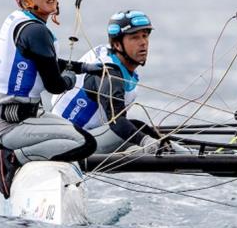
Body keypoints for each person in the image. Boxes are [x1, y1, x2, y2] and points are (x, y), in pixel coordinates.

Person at [0, 0, 99, 198]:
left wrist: (82, 67)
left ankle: (23, 153)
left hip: (8, 112)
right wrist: (69, 78)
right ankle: (13, 157)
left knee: (77, 137)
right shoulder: (35, 32)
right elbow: (55, 85)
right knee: (86, 144)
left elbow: (45, 62)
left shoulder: (24, 23)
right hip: (8, 121)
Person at [52, 10, 190, 154]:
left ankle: (185, 153)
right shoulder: (109, 73)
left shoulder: (116, 60)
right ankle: (189, 155)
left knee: (139, 130)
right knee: (137, 128)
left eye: (145, 36)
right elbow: (117, 122)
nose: (143, 43)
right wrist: (145, 141)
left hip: (88, 135)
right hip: (68, 143)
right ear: (117, 45)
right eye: (135, 38)